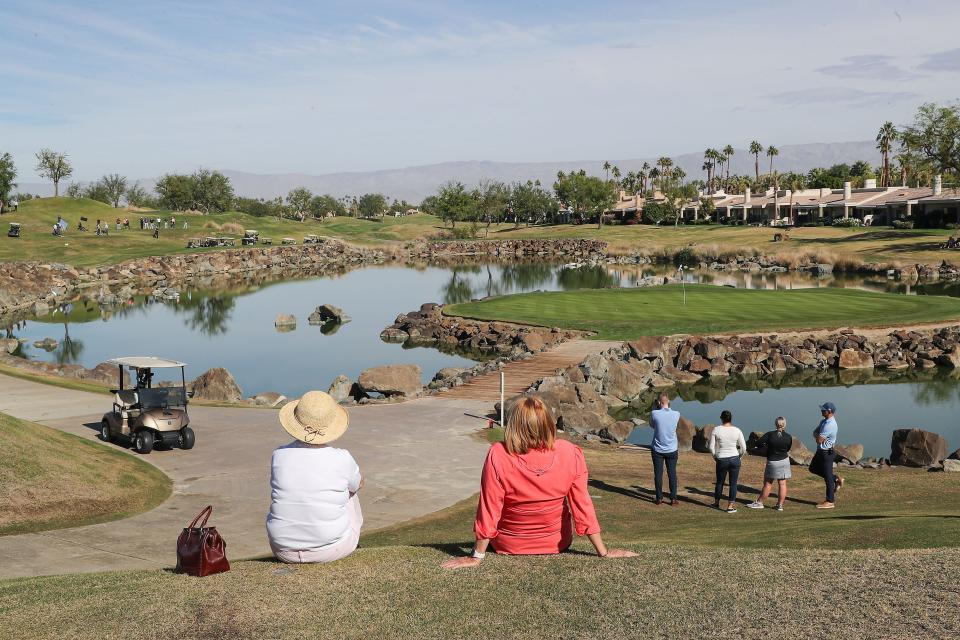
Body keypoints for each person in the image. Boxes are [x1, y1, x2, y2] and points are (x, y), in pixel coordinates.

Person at [442, 396, 636, 569]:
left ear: (515, 425)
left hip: (509, 544)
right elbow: (582, 504)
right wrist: (602, 551)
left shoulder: (499, 454)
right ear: (547, 424)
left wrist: (477, 556)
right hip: (557, 543)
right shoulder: (569, 452)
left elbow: (489, 507)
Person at [266, 390, 363, 564]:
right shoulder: (342, 457)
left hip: (282, 549)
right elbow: (356, 485)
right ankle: (341, 538)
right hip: (329, 550)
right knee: (351, 491)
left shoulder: (279, 455)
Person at [747, 417, 793, 511]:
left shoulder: (770, 434)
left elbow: (759, 443)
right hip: (784, 460)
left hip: (773, 461)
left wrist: (766, 446)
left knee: (768, 483)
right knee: (782, 483)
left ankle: (759, 503)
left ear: (776, 424)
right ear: (785, 424)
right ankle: (779, 505)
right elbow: (788, 448)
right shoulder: (788, 436)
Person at [709, 410, 746, 513]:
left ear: (721, 418)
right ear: (731, 419)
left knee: (720, 482)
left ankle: (716, 502)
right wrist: (740, 457)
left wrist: (715, 457)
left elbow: (711, 447)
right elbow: (744, 448)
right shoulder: (737, 430)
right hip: (734, 458)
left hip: (721, 458)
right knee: (733, 483)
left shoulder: (716, 429)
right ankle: (730, 507)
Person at [649, 392, 681, 505]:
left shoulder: (654, 413)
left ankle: (659, 498)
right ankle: (673, 499)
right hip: (672, 449)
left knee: (658, 474)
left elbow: (652, 425)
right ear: (669, 401)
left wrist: (655, 407)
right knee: (672, 473)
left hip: (657, 449)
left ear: (658, 402)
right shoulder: (677, 414)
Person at [810, 402, 843, 509]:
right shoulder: (824, 421)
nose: (821, 411)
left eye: (823, 410)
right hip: (821, 452)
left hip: (826, 453)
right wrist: (818, 436)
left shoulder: (830, 425)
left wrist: (818, 436)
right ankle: (836, 479)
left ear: (829, 411)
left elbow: (819, 440)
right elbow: (815, 432)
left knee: (827, 478)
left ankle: (830, 501)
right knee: (813, 468)